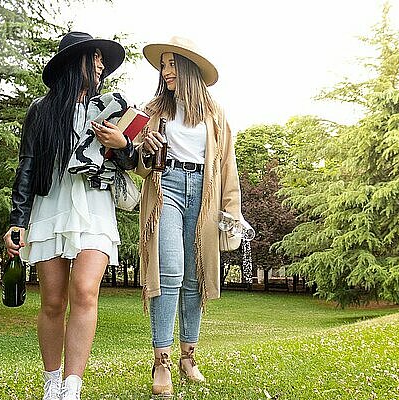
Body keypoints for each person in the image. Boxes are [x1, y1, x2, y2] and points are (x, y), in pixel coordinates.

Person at [3, 32, 136, 400]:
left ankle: (72, 388)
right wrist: (18, 220)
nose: (100, 64)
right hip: (51, 207)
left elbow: (135, 162)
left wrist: (121, 146)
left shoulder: (114, 110)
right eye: (93, 57)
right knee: (53, 301)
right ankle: (52, 383)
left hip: (95, 208)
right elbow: (26, 167)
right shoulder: (42, 111)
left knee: (85, 292)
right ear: (72, 62)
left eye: (101, 59)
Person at [134, 36, 242, 396]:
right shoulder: (153, 110)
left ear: (188, 68)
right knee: (169, 272)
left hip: (205, 194)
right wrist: (143, 150)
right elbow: (137, 165)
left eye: (170, 64)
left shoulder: (215, 113)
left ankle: (188, 357)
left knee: (195, 278)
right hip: (167, 189)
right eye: (162, 65)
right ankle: (161, 360)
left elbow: (227, 165)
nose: (164, 71)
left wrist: (232, 212)